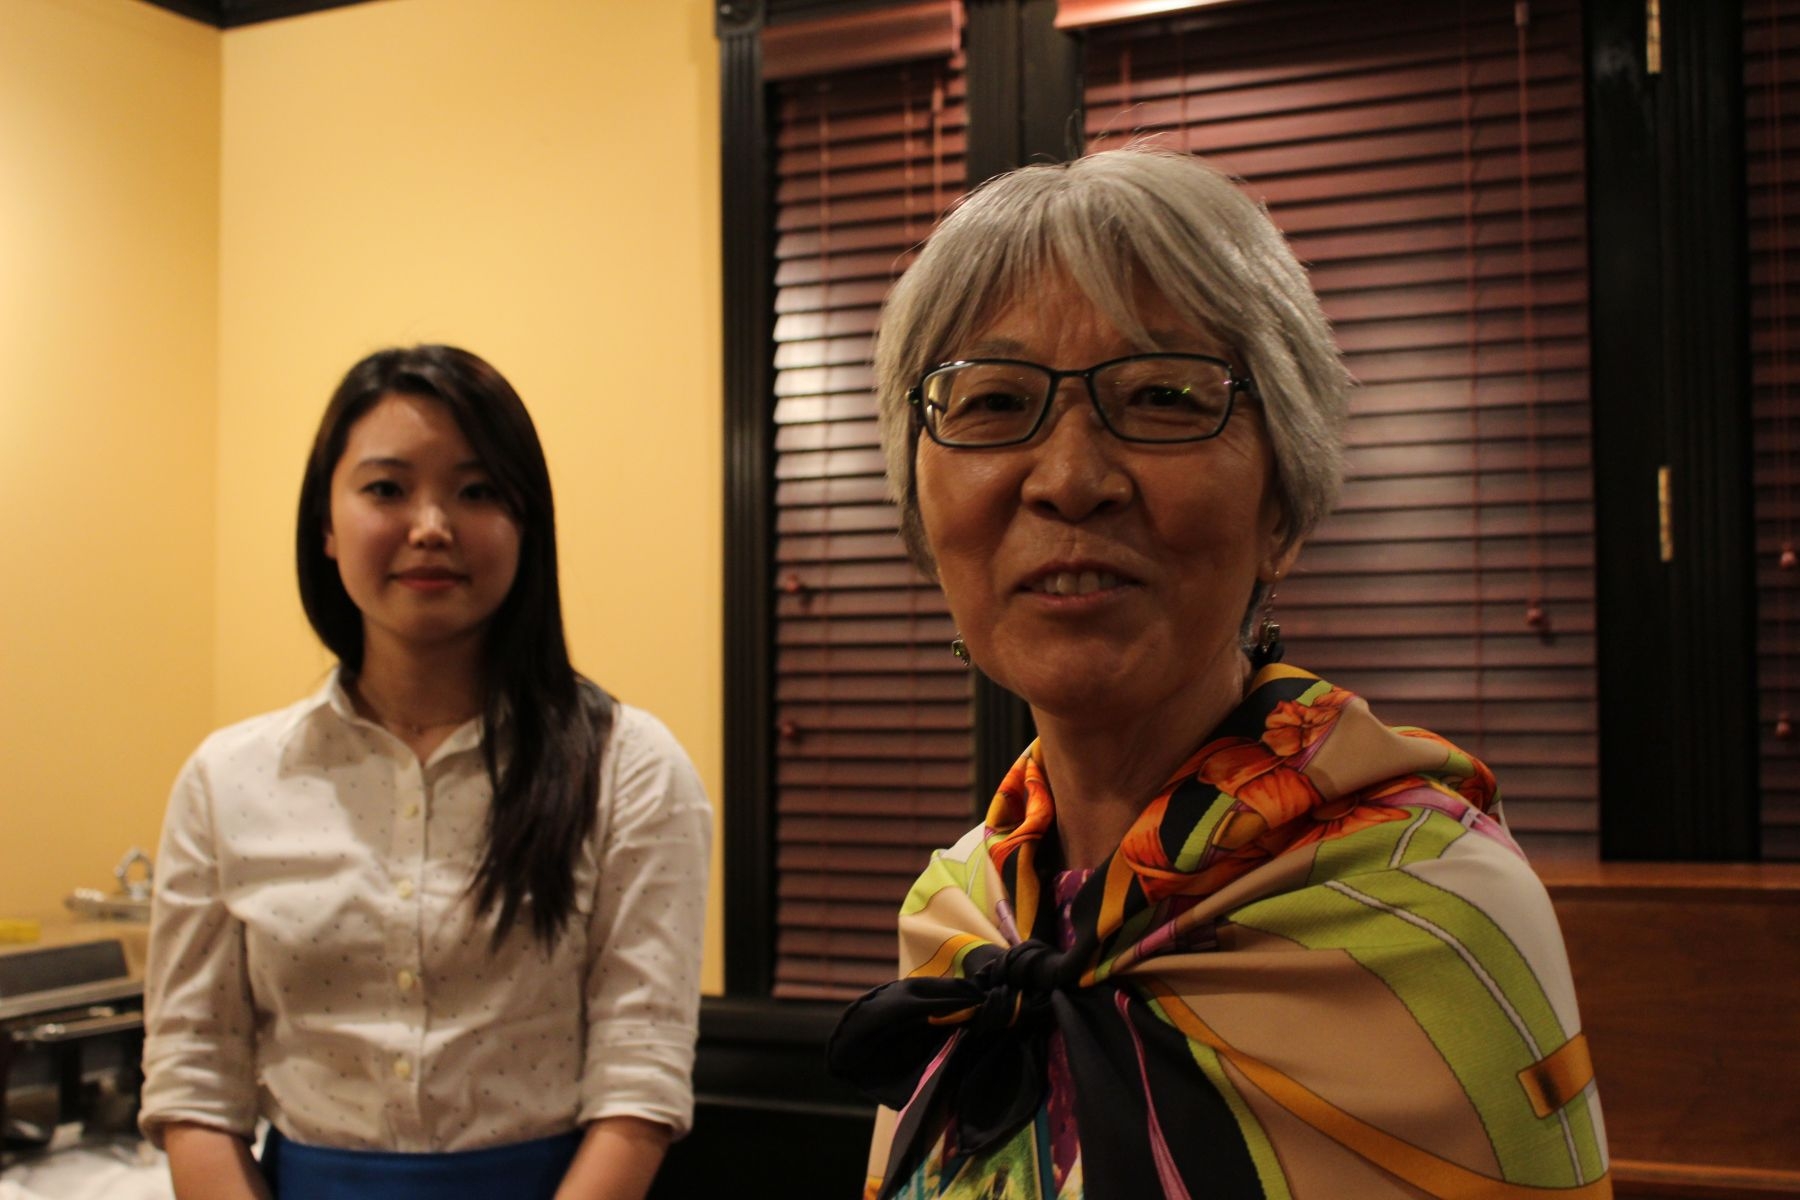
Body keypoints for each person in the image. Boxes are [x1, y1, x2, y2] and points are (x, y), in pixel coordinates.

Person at [827, 149, 1610, 1200]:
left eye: (1161, 395)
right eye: (995, 401)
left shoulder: (1435, 911)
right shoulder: (963, 919)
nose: (1071, 480)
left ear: (1280, 508)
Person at [139, 345, 711, 1200]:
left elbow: (641, 1077)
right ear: (326, 526)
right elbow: (193, 1076)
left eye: (477, 492)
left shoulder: (630, 768)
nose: (432, 524)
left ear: (526, 523)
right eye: (386, 488)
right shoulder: (227, 780)